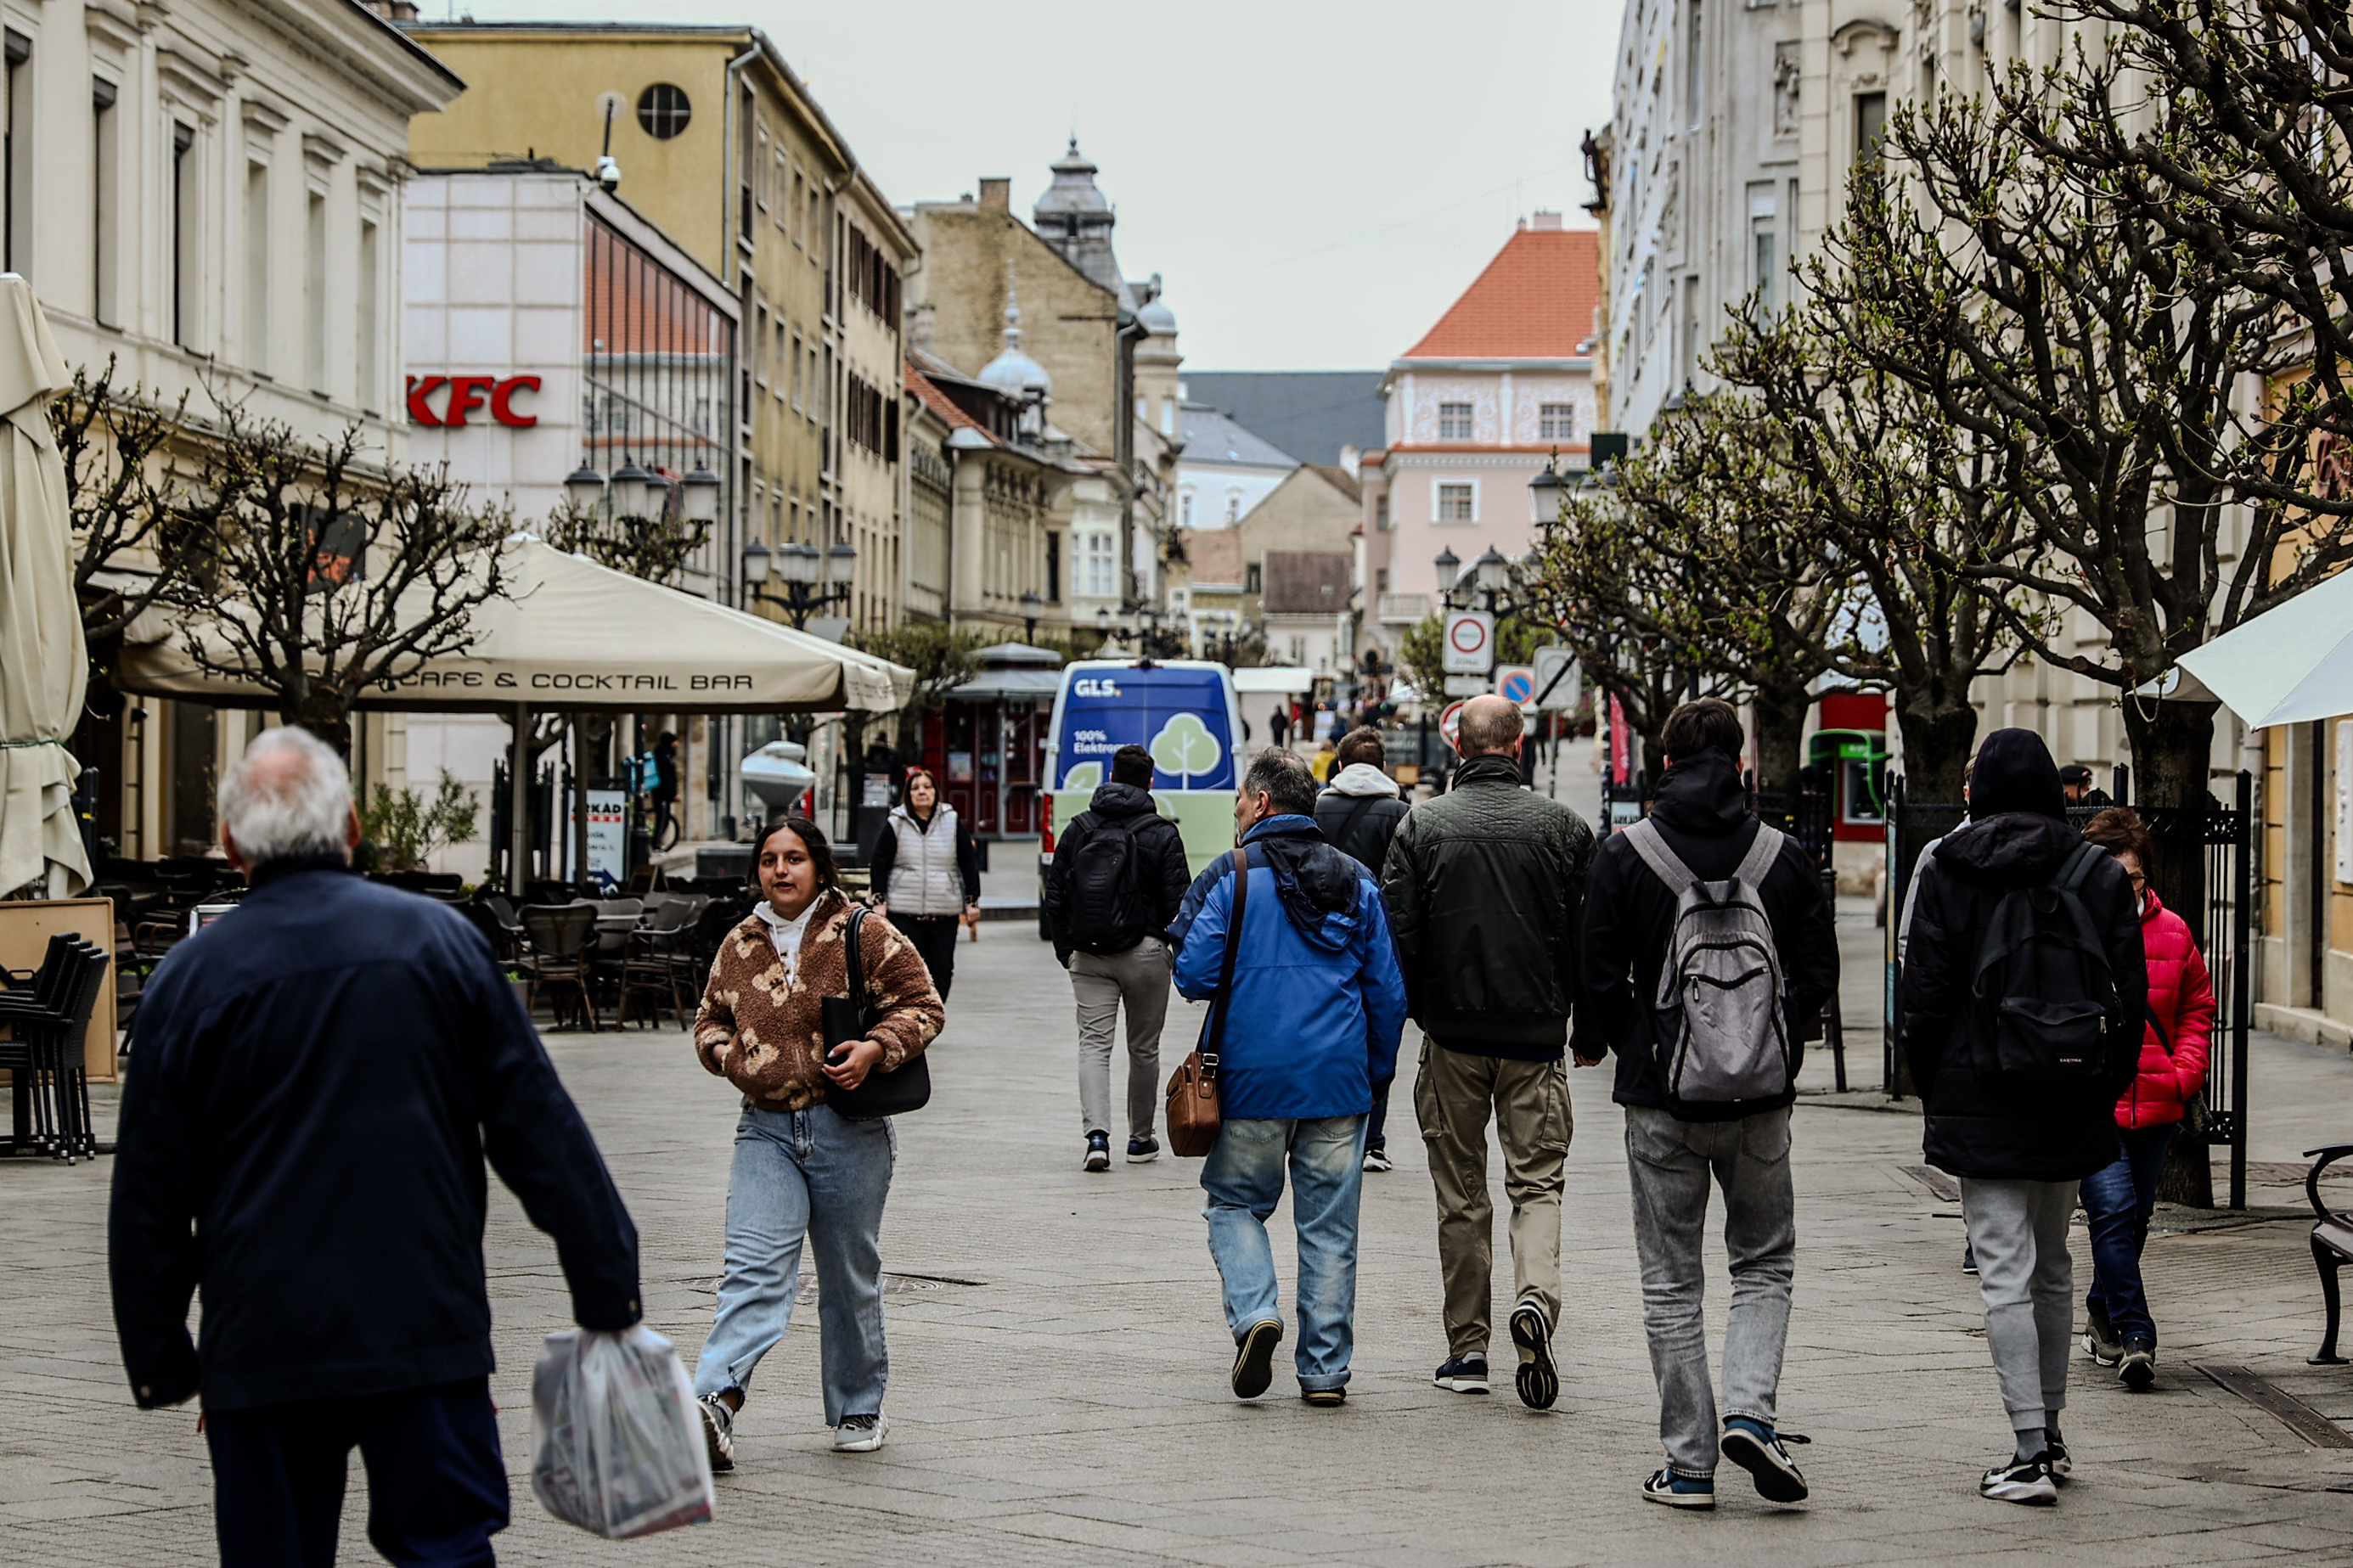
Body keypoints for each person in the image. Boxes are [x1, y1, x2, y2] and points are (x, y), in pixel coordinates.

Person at [110, 728, 642, 1567]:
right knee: (445, 1546)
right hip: (422, 1319)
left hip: (263, 1333)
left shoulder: (188, 979)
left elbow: (148, 1191)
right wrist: (606, 1282)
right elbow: (537, 1128)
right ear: (353, 825)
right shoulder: (441, 946)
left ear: (231, 843)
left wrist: (161, 1354)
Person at [1575, 697, 1836, 1508]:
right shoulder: (1782, 854)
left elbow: (1594, 974)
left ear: (1664, 766)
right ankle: (1751, 1413)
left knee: (1669, 1279)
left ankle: (1688, 1465)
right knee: (1763, 1261)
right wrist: (1774, 1050)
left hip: (1662, 1102)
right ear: (1740, 761)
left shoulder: (1627, 853)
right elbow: (1817, 975)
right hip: (1760, 1101)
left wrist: (1630, 1048)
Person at [1900, 728, 2144, 1506]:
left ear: (1979, 790)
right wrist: (2105, 1085)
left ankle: (2027, 1447)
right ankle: (2054, 1430)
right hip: (2071, 1089)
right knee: (2055, 1263)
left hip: (1982, 1090)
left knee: (2002, 1269)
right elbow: (2130, 998)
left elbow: (1926, 991)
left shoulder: (1947, 866)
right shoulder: (2097, 874)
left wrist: (1933, 1083)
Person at [690, 815, 945, 1465]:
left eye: (794, 857)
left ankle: (859, 1403)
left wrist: (875, 1048)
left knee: (847, 1276)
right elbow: (709, 1019)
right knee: (751, 1270)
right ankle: (714, 1403)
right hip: (766, 1129)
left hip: (848, 1128)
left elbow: (923, 1004)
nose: (780, 870)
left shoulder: (862, 931)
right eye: (770, 859)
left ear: (820, 867)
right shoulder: (739, 943)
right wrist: (726, 1056)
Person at [1170, 749, 1408, 1406]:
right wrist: (1373, 1075)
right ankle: (1325, 1370)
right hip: (1336, 1079)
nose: (1237, 811)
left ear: (1263, 803)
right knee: (1330, 1228)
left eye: (1241, 800)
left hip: (1250, 1078)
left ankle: (1256, 1313)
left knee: (1234, 1202)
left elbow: (1190, 973)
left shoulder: (1233, 874)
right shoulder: (1357, 881)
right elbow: (1386, 991)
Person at [1382, 694, 1595, 1410]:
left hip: (1452, 1039)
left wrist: (1419, 1011)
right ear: (1518, 746)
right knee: (1536, 1185)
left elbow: (1397, 933)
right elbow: (1588, 939)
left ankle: (1467, 1348)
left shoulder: (1423, 825)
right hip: (1534, 1040)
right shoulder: (1562, 828)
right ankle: (1534, 1299)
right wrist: (1588, 1028)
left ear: (1458, 749)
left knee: (1460, 1195)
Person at [2077, 807, 2212, 1390]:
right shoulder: (2069, 926)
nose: (2118, 887)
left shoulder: (2173, 931)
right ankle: (2137, 1334)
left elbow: (2196, 1009)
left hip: (2157, 1100)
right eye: (2107, 875)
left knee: (2133, 1219)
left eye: (2129, 877)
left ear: (2144, 877)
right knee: (2110, 1212)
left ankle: (2100, 1307)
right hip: (2093, 1103)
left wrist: (2184, 1073)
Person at [1045, 743, 1192, 1170]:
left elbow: (1056, 895)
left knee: (1093, 1045)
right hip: (1146, 953)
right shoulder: (1163, 832)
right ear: (1150, 783)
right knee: (1143, 1049)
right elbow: (1177, 905)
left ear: (1110, 778)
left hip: (1089, 954)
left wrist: (1066, 951)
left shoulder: (1079, 828)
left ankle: (1096, 1138)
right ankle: (1140, 1139)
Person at [1315, 727, 1412, 1173]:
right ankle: (1372, 1140)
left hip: (1319, 935)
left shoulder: (1318, 806)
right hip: (1378, 936)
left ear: (1340, 765)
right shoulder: (1401, 812)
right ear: (1383, 766)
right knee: (1379, 1026)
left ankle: (1325, 1128)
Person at [869, 767, 981, 999]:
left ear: (935, 792)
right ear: (908, 794)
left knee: (941, 971)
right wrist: (879, 900)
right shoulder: (896, 822)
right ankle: (911, 1021)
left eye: (927, 787)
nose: (922, 792)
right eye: (916, 788)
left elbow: (968, 861)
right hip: (905, 912)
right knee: (907, 971)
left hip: (944, 912)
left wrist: (972, 901)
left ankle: (933, 1017)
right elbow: (880, 861)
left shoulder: (951, 820)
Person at [650, 729, 681, 849]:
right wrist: (673, 793)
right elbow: (667, 777)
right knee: (662, 819)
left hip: (662, 793)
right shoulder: (664, 757)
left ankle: (656, 843)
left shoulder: (665, 756)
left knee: (664, 818)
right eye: (674, 741)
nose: (677, 744)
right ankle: (656, 844)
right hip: (662, 794)